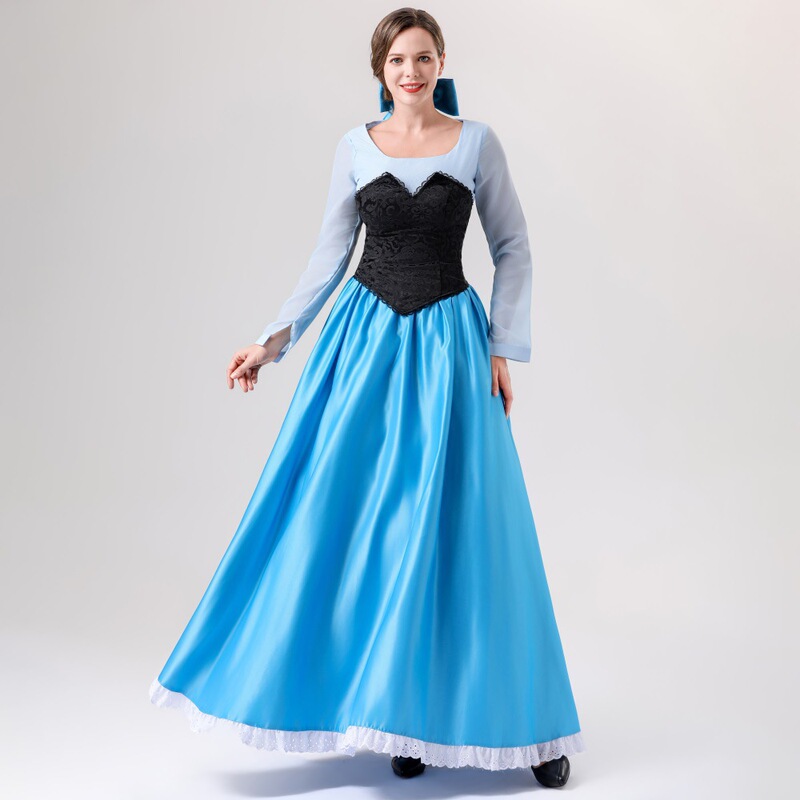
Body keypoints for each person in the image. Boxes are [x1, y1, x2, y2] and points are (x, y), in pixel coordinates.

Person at [149, 7, 585, 789]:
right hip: (365, 346)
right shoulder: (355, 146)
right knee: (355, 520)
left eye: (423, 58)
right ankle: (395, 716)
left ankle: (521, 727)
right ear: (380, 71)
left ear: (441, 61)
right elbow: (328, 257)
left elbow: (513, 246)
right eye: (397, 61)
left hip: (449, 347)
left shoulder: (477, 142)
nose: (411, 72)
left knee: (466, 524)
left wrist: (501, 346)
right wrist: (271, 342)